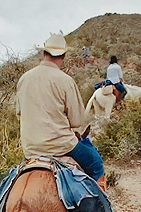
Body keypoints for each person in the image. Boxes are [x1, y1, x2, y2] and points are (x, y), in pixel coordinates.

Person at [16, 33, 107, 191]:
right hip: (61, 146)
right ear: (63, 55)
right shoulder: (65, 80)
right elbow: (77, 121)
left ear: (44, 53)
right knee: (96, 163)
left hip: (31, 148)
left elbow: (19, 113)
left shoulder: (24, 79)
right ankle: (98, 210)